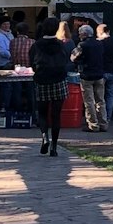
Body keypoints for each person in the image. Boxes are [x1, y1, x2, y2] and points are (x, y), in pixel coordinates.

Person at [28, 19, 72, 155]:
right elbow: (67, 61)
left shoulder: (36, 45)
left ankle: (44, 137)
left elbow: (32, 63)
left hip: (42, 80)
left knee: (42, 113)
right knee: (56, 115)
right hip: (59, 80)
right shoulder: (61, 45)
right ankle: (54, 147)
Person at [74, 23, 107, 132]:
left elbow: (74, 57)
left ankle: (93, 125)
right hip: (99, 74)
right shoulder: (99, 43)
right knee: (100, 100)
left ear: (84, 34)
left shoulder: (82, 45)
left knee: (89, 101)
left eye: (80, 34)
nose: (79, 36)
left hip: (87, 75)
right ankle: (103, 123)